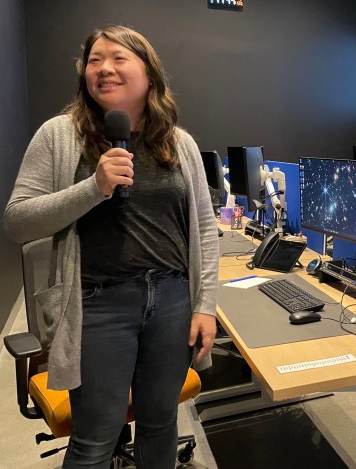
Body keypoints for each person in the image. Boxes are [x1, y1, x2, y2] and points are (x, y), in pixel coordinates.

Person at [4, 25, 219, 468]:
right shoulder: (59, 135)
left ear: (149, 72)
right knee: (95, 439)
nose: (103, 68)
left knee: (160, 424)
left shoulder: (180, 143)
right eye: (94, 60)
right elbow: (18, 221)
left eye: (117, 58)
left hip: (172, 300)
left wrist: (205, 305)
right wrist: (93, 187)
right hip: (97, 304)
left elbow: (203, 226)